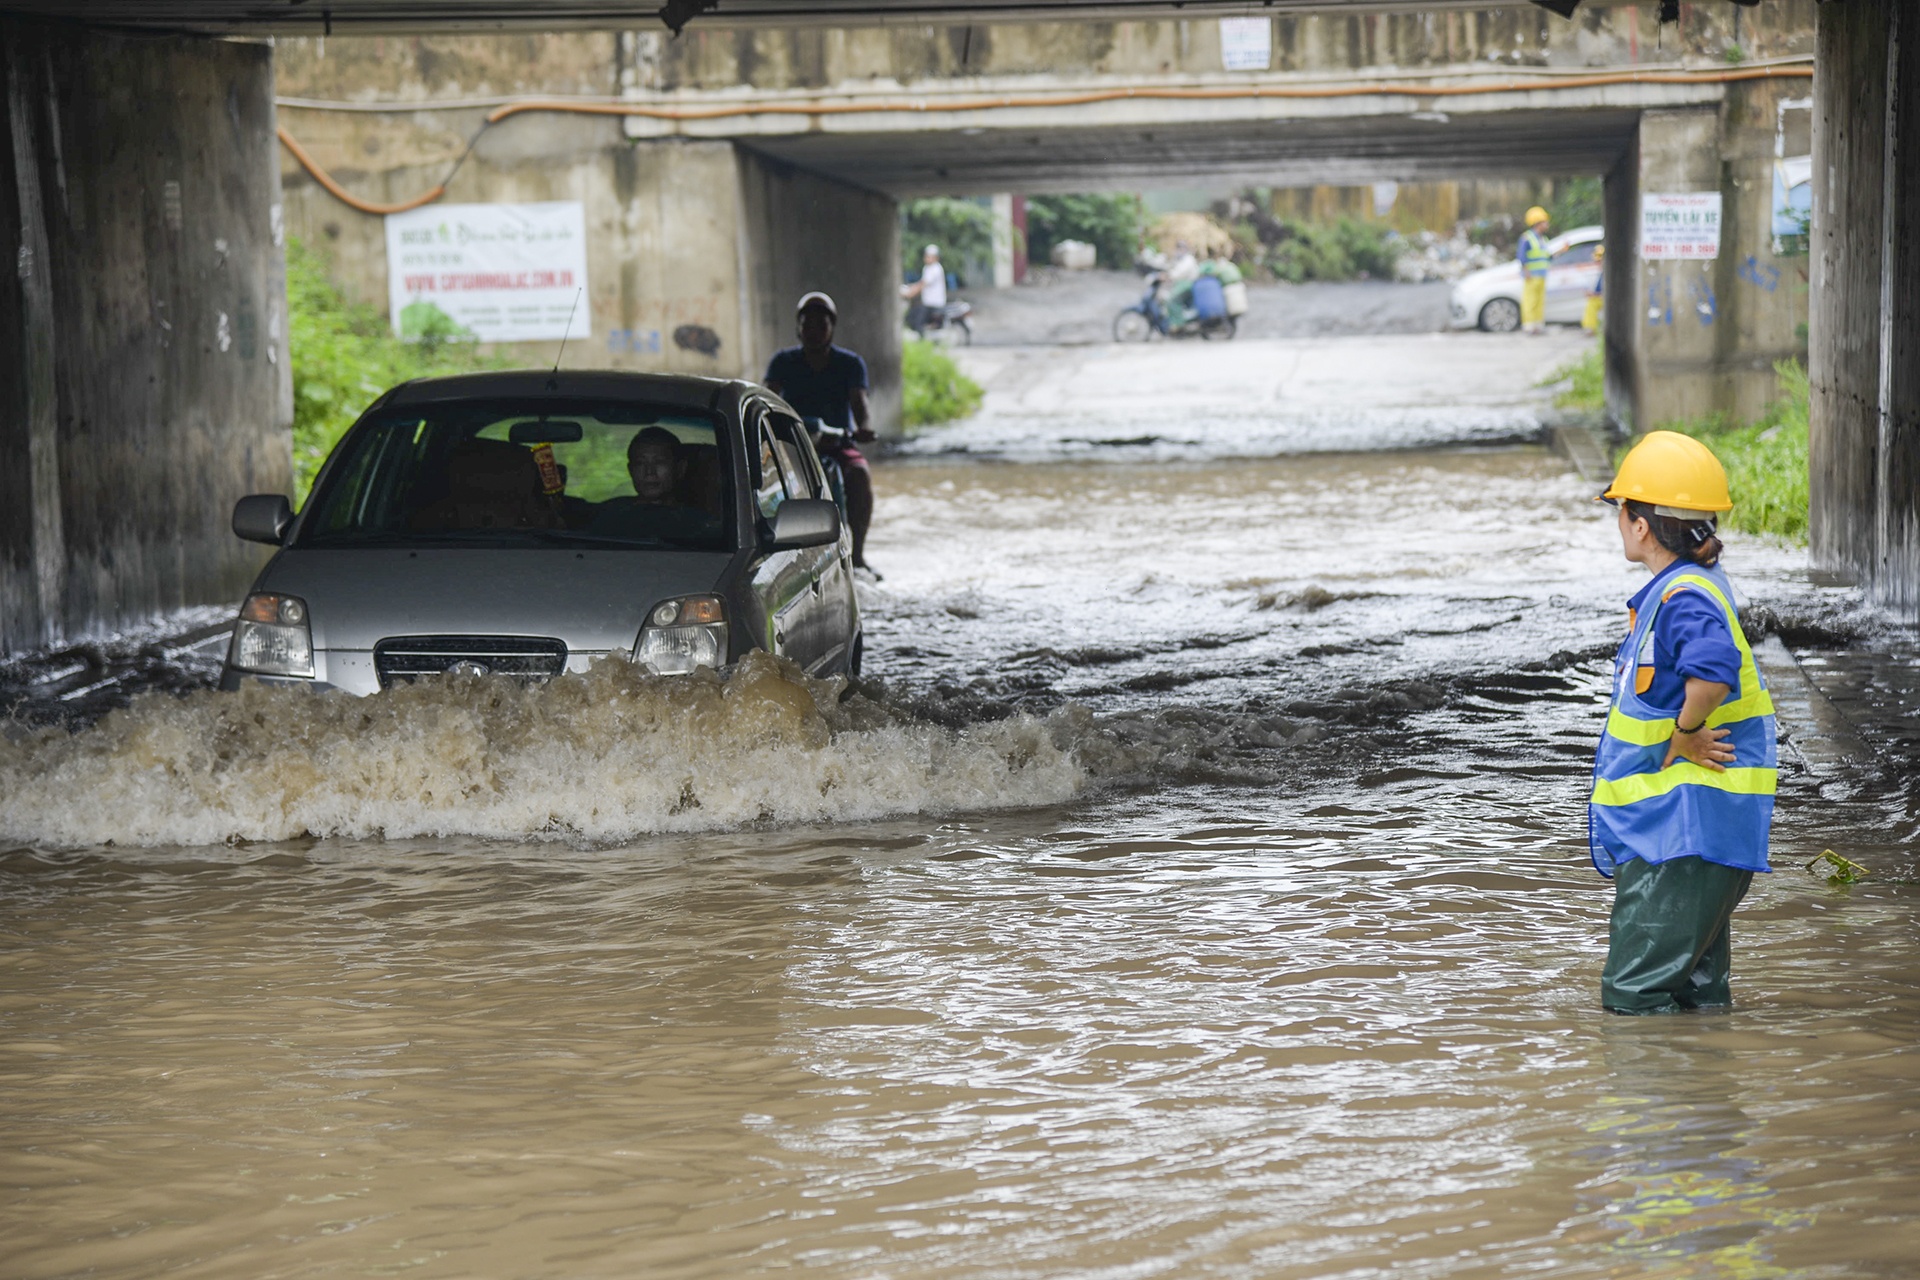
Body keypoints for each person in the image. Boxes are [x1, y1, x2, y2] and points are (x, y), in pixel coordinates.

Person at [1590, 430, 1778, 1014]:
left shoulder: (1684, 597)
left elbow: (1713, 672)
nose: (1620, 521)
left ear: (1640, 523)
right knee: (1698, 995)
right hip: (1697, 834)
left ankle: (1663, 1100)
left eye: (1622, 509)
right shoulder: (1684, 589)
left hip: (1679, 835)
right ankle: (1704, 1094)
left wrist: (1683, 734)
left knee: (1634, 997)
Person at [763, 291, 880, 574]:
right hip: (792, 447)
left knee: (860, 477)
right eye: (807, 324)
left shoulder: (850, 363)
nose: (813, 331)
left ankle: (859, 555)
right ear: (798, 328)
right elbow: (767, 397)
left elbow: (860, 403)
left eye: (821, 325)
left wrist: (863, 427)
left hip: (837, 444)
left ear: (832, 328)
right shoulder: (782, 362)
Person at [590, 426, 718, 542]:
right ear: (630, 470)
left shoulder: (700, 526)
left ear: (680, 469)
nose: (649, 472)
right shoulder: (610, 515)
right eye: (640, 463)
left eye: (659, 462)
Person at [1519, 206, 1553, 335]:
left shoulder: (1543, 239)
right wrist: (1526, 271)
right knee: (1530, 301)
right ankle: (1529, 326)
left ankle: (1538, 325)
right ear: (1538, 223)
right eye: (1545, 222)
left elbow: (1546, 256)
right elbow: (1522, 256)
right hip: (1531, 276)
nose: (1547, 224)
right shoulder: (1527, 238)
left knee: (1539, 301)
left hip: (1542, 275)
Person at [900, 244, 946, 337]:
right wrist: (910, 287)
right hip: (927, 303)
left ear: (936, 258)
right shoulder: (927, 268)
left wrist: (910, 293)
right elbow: (920, 282)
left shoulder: (935, 269)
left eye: (929, 256)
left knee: (915, 320)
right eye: (926, 256)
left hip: (933, 304)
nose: (926, 258)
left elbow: (922, 285)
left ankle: (922, 339)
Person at [1583, 244, 1606, 334]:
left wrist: (1594, 294)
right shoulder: (1601, 272)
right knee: (1591, 301)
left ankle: (1591, 329)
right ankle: (1589, 327)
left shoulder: (1608, 272)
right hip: (1600, 297)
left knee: (1592, 303)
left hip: (1605, 299)